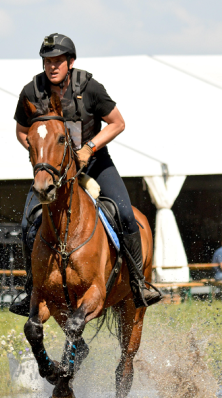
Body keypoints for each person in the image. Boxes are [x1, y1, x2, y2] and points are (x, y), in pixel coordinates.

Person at [13, 33, 161, 314]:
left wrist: (90, 147)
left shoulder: (90, 88)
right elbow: (22, 131)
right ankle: (30, 288)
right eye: (47, 61)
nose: (52, 66)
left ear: (70, 62)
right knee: (26, 225)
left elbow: (118, 123)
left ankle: (139, 283)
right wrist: (39, 153)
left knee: (125, 214)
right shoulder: (31, 92)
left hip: (93, 161)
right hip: (54, 169)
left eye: (58, 61)